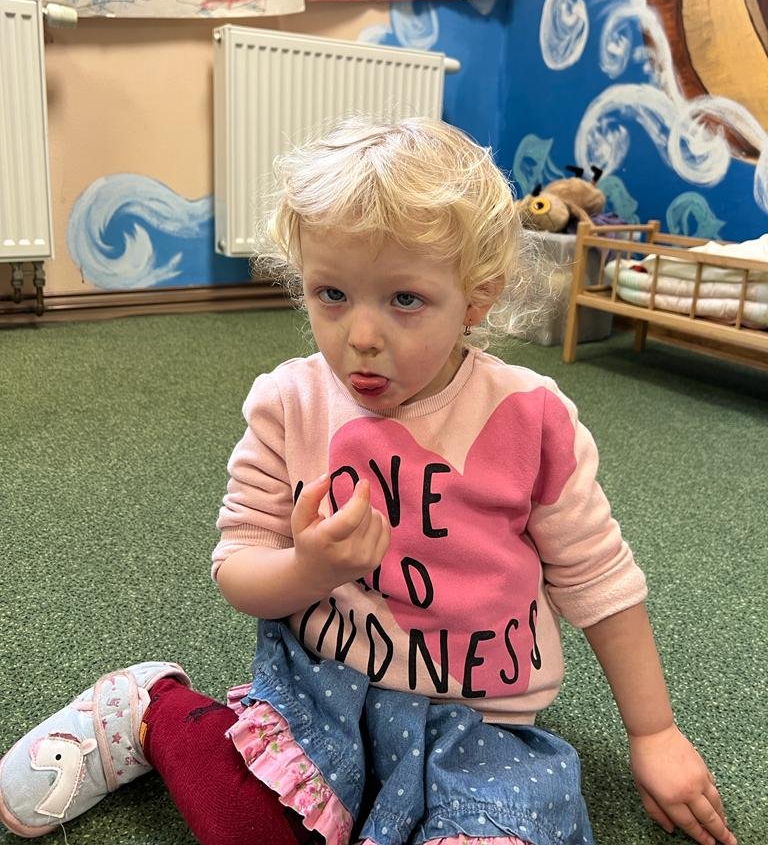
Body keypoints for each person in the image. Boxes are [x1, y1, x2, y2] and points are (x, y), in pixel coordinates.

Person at [0, 118, 736, 845]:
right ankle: (149, 709)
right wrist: (308, 568)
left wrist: (655, 732)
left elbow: (599, 578)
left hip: (484, 725)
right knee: (249, 826)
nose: (360, 337)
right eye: (331, 294)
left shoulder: (533, 419)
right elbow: (237, 567)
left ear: (477, 298)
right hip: (322, 693)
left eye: (404, 300)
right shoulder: (289, 403)